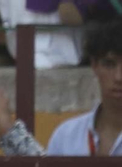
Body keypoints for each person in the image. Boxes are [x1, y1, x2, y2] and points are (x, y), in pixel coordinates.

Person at [47, 21, 122, 155]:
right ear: (94, 65)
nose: (118, 77)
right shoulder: (65, 136)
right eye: (109, 64)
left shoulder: (67, 135)